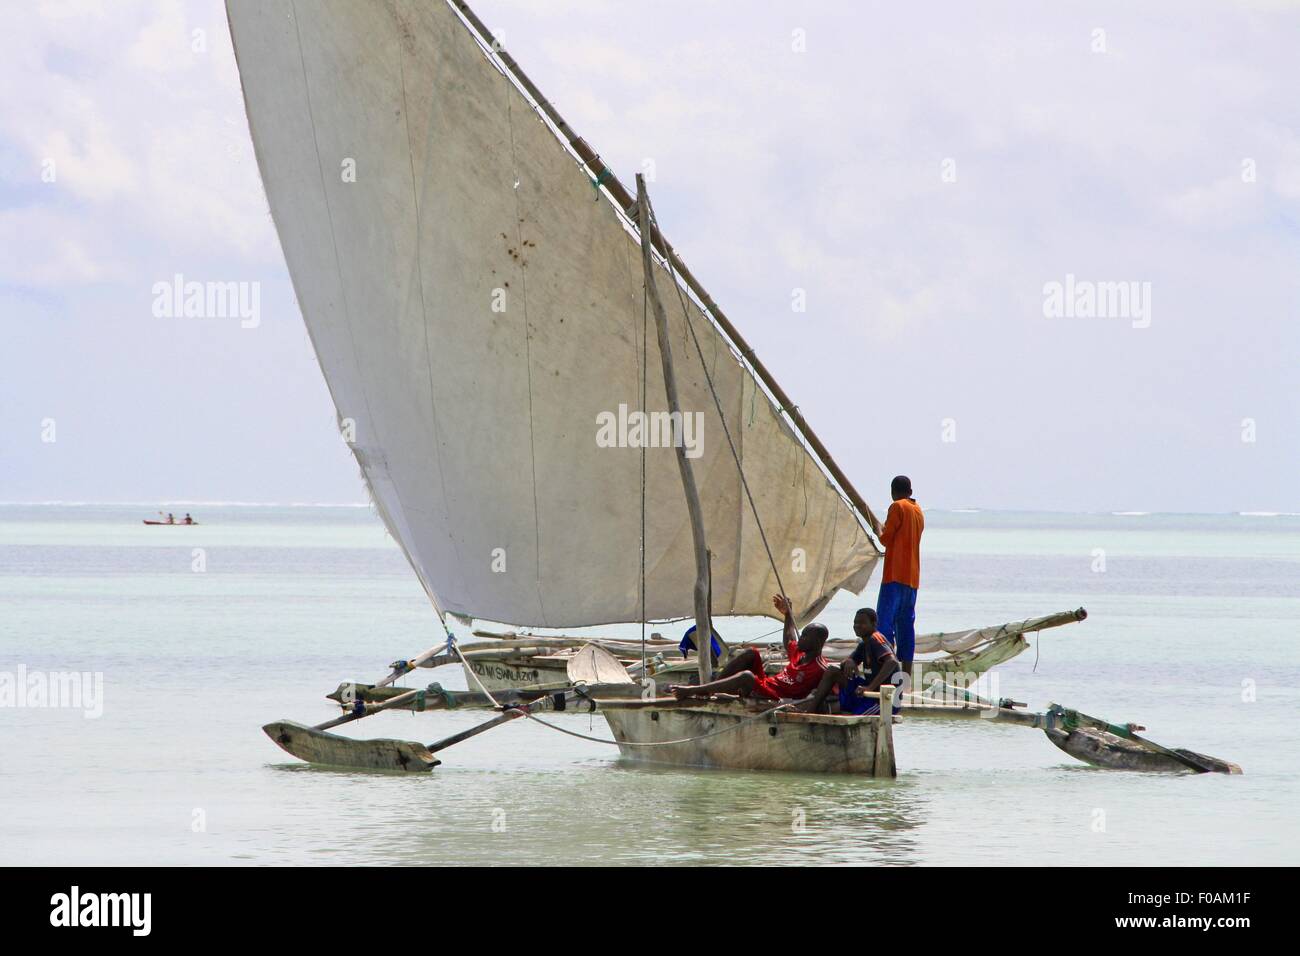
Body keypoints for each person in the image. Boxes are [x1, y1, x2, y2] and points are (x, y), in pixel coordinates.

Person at [669, 594, 841, 713]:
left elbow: (833, 687)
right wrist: (788, 614)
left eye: (805, 637)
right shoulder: (800, 653)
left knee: (747, 677)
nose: (800, 639)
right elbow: (789, 637)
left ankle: (694, 690)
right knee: (751, 653)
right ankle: (712, 688)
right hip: (767, 684)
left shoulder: (821, 668)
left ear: (818, 642)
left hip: (777, 696)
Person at [869, 475, 924, 675]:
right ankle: (906, 673)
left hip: (894, 576)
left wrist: (878, 530)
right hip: (912, 579)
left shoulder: (897, 507)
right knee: (906, 626)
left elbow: (885, 538)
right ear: (910, 492)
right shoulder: (918, 511)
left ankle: (885, 670)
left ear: (893, 493)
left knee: (884, 624)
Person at [838, 607, 900, 715]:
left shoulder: (875, 639)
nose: (857, 626)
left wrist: (870, 687)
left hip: (886, 699)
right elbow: (845, 663)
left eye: (862, 623)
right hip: (872, 695)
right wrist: (849, 660)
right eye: (855, 622)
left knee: (856, 719)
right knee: (834, 672)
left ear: (874, 624)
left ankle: (854, 709)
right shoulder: (863, 644)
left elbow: (892, 661)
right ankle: (844, 705)